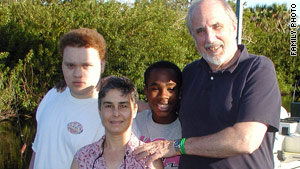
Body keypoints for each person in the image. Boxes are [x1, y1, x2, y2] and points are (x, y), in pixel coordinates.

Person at [133, 0, 281, 168]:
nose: (210, 38)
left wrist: (177, 146)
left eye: (217, 27)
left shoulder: (257, 68)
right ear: (193, 36)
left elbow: (245, 140)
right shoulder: (190, 73)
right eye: (201, 31)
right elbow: (164, 107)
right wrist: (117, 99)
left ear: (234, 27)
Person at [29, 28, 107, 169]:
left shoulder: (111, 114)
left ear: (102, 65)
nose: (78, 74)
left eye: (86, 65)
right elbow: (37, 151)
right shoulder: (52, 95)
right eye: (70, 65)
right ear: (62, 65)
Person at [71, 76, 163, 169]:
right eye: (108, 106)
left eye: (123, 106)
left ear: (135, 110)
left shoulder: (149, 159)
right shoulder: (83, 157)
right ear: (100, 110)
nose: (116, 113)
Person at [132, 61, 182, 169]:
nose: (163, 96)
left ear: (180, 92)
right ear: (146, 91)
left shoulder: (188, 128)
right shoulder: (134, 123)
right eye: (155, 89)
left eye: (171, 89)